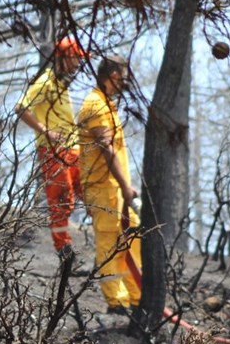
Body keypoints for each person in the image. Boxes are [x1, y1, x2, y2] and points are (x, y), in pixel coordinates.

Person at [77, 55, 142, 313]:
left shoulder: (107, 104)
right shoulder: (95, 104)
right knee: (110, 243)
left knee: (132, 237)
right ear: (113, 75)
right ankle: (116, 301)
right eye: (124, 76)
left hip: (116, 189)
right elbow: (105, 147)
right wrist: (126, 186)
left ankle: (136, 296)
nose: (127, 82)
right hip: (103, 188)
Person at [15, 36, 85, 261]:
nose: (78, 64)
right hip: (54, 151)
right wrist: (46, 131)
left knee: (88, 194)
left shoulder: (62, 85)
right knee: (62, 200)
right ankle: (64, 253)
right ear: (64, 58)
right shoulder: (44, 82)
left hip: (73, 150)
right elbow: (21, 107)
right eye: (75, 58)